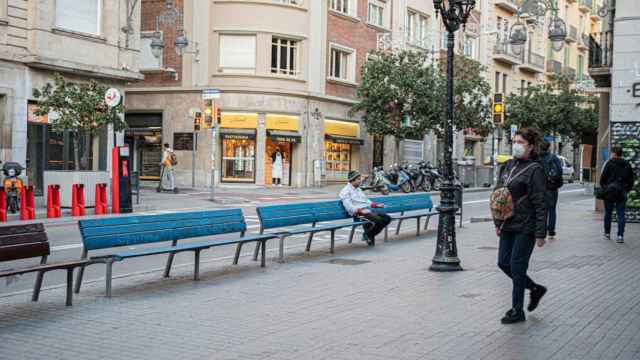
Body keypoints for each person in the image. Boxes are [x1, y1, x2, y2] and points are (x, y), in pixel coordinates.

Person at [494, 128, 548, 324]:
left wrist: (541, 233)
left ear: (531, 146)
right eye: (515, 141)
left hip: (526, 225)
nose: (516, 145)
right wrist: (497, 221)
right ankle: (535, 288)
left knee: (517, 266)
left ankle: (517, 310)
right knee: (503, 262)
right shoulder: (508, 166)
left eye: (521, 142)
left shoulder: (535, 170)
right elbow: (499, 195)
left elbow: (541, 203)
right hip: (508, 223)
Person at [339, 170, 391, 246]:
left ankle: (368, 234)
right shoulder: (345, 191)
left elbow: (366, 201)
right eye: (358, 179)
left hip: (367, 211)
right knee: (378, 221)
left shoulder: (358, 189)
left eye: (360, 179)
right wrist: (360, 210)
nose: (360, 181)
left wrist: (376, 205)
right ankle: (368, 235)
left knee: (387, 218)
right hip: (359, 213)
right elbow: (348, 206)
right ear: (352, 180)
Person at [600, 146, 635, 243]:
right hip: (621, 192)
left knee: (608, 213)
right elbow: (631, 180)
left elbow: (602, 179)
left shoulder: (609, 163)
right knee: (621, 214)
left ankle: (607, 233)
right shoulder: (627, 164)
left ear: (614, 154)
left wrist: (605, 188)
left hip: (609, 192)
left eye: (611, 153)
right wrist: (626, 189)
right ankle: (620, 236)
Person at [539, 141, 564, 240]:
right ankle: (551, 232)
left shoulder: (537, 159)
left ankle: (543, 231)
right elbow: (560, 171)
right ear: (549, 148)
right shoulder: (554, 158)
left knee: (542, 210)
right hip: (552, 188)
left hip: (540, 188)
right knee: (552, 210)